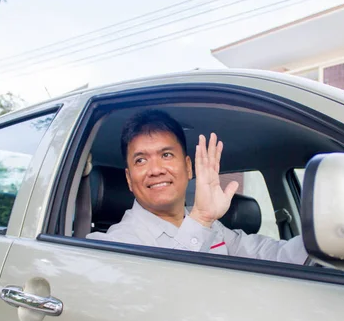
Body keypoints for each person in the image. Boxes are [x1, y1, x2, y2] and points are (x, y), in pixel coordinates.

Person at [86, 109, 307, 265]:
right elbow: (160, 300)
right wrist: (201, 219)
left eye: (166, 155)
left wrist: (327, 243)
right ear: (128, 179)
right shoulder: (110, 246)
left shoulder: (214, 229)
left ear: (189, 168)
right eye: (140, 160)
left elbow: (273, 255)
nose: (155, 169)